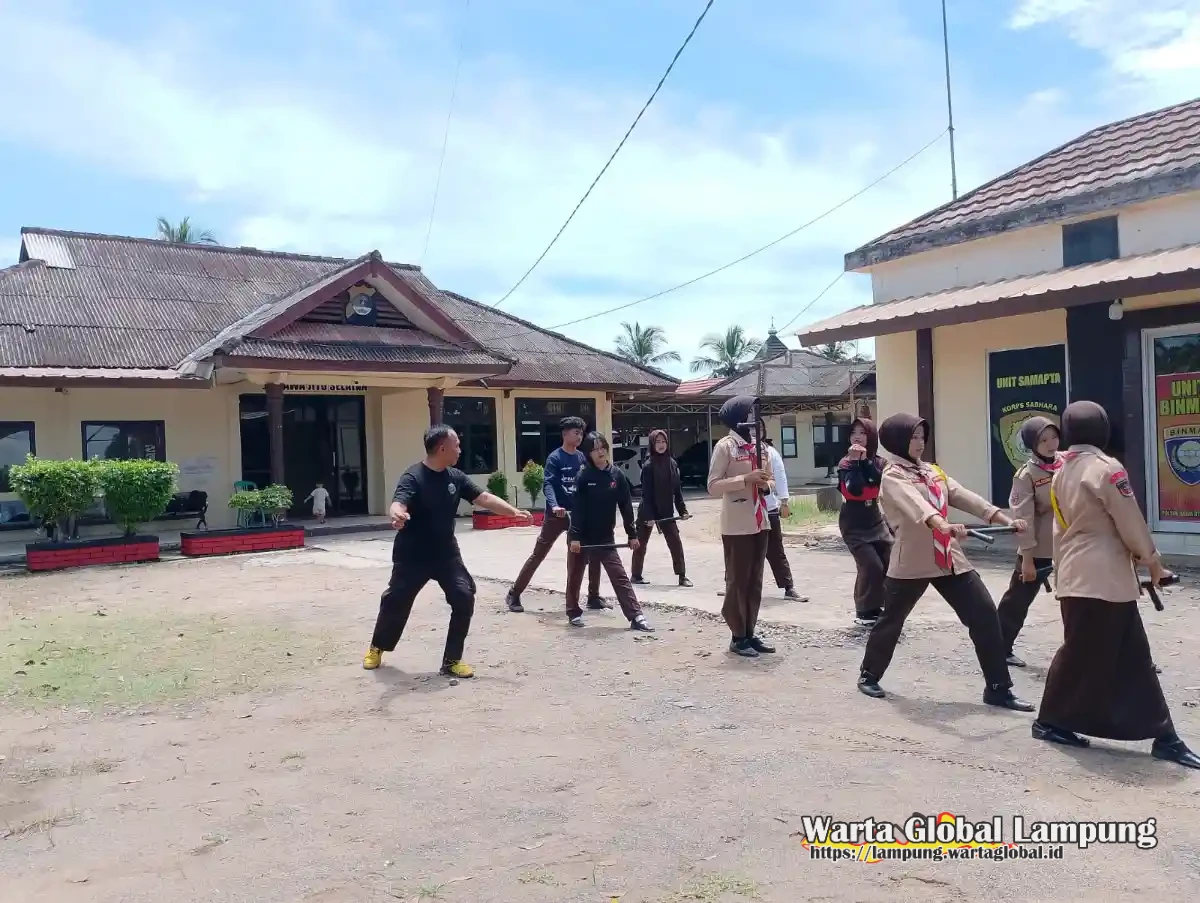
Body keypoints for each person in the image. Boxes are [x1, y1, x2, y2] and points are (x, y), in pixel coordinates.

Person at [1032, 401, 1199, 768]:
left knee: (1126, 656)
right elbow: (1130, 521)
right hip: (1104, 578)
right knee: (1088, 654)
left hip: (1078, 575)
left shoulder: (1061, 471)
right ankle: (1050, 721)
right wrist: (1153, 562)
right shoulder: (1107, 470)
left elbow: (1063, 528)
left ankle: (1163, 734)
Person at [857, 413, 1034, 711]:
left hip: (948, 558)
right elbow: (916, 505)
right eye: (913, 436)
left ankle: (998, 688)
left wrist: (1003, 518)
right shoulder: (893, 475)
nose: (919, 442)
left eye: (921, 436)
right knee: (892, 619)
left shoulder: (932, 471)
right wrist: (940, 524)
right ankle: (869, 674)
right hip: (912, 560)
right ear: (898, 440)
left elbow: (963, 496)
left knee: (984, 615)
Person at [363, 425, 530, 677]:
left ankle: (452, 661)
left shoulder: (455, 477)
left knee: (464, 596)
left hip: (445, 554)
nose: (460, 450)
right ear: (442, 448)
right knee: (396, 600)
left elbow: (483, 498)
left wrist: (513, 512)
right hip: (413, 555)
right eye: (457, 445)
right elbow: (398, 502)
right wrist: (397, 514)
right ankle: (378, 646)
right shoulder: (414, 476)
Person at [506, 416, 604, 613]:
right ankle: (514, 594)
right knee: (538, 555)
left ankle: (592, 597)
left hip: (576, 516)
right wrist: (554, 505)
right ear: (564, 434)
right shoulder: (555, 458)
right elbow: (548, 484)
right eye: (575, 433)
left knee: (588, 554)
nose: (579, 437)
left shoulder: (582, 458)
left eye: (581, 433)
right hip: (556, 516)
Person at [708, 395, 776, 658]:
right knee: (737, 579)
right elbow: (713, 486)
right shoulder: (725, 447)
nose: (755, 419)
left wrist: (764, 485)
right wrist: (744, 479)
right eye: (749, 413)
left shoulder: (763, 449)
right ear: (738, 418)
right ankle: (737, 635)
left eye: (757, 414)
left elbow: (770, 482)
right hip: (737, 523)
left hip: (760, 521)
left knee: (755, 580)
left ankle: (750, 630)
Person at [566, 432, 654, 631]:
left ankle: (636, 615)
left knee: (619, 575)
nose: (601, 451)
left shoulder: (616, 474)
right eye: (596, 448)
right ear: (589, 453)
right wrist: (576, 537)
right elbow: (578, 508)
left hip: (605, 536)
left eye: (603, 447)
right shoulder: (583, 476)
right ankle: (573, 611)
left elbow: (625, 506)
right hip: (581, 537)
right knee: (575, 575)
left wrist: (632, 534)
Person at [995, 416, 1061, 667]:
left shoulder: (1066, 464)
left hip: (1068, 545)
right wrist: (1028, 559)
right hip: (1039, 548)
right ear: (1032, 445)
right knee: (1017, 601)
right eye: (1043, 440)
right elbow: (1024, 518)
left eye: (1054, 437)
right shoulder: (1026, 475)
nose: (1051, 444)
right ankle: (998, 647)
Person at [836, 417, 892, 628]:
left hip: (875, 518)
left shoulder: (881, 462)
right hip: (853, 521)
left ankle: (880, 606)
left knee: (886, 562)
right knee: (871, 565)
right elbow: (855, 489)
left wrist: (865, 462)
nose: (857, 437)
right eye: (853, 433)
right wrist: (857, 463)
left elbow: (878, 482)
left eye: (862, 433)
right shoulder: (845, 463)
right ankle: (864, 610)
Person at [631, 429, 692, 587]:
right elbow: (647, 494)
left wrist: (682, 510)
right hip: (648, 510)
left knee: (675, 542)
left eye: (663, 441)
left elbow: (677, 490)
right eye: (657, 442)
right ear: (652, 444)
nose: (661, 445)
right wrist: (650, 517)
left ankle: (682, 576)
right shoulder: (648, 466)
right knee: (641, 544)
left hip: (666, 510)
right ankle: (636, 575)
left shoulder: (672, 463)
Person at [762, 436, 807, 602]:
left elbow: (779, 476)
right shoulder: (737, 451)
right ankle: (732, 585)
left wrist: (784, 501)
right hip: (745, 509)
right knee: (741, 550)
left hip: (769, 507)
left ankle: (789, 587)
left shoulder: (769, 451)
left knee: (775, 550)